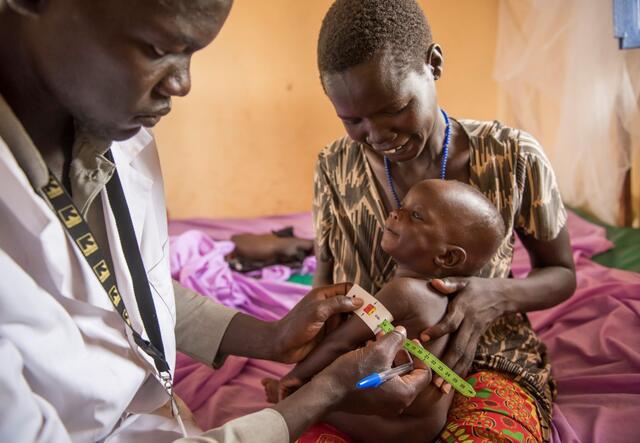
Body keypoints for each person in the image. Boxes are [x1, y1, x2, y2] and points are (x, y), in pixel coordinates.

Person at [0, 1, 433, 442]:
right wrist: (328, 390)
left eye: (192, 53)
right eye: (157, 48)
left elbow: (130, 291)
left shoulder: (114, 135)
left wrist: (270, 337)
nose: (183, 83)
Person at [312, 0, 577, 442]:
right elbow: (325, 282)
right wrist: (322, 367)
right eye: (352, 120)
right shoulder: (333, 165)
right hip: (366, 362)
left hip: (483, 361)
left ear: (433, 64)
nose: (376, 136)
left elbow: (562, 273)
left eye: (393, 107)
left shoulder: (511, 156)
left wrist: (493, 294)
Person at [263, 179, 506, 442]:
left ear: (447, 257)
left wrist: (295, 379)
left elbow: (339, 342)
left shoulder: (404, 291)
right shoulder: (453, 299)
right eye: (402, 206)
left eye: (415, 215)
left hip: (393, 426)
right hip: (425, 424)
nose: (395, 214)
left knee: (312, 402)